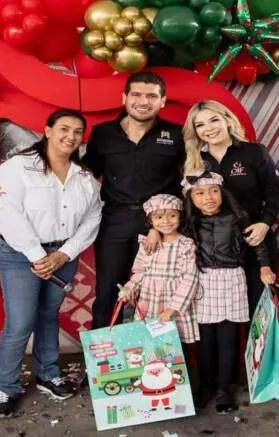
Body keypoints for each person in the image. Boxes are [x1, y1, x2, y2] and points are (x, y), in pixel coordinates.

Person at [0, 109, 102, 418]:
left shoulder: (84, 176)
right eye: (64, 128)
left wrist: (62, 255)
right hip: (19, 254)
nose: (71, 136)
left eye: (78, 132)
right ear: (48, 130)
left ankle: (48, 373)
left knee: (49, 315)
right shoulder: (18, 167)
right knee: (20, 322)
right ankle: (5, 385)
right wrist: (39, 258)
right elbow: (9, 215)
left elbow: (92, 219)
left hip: (62, 254)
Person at [84, 71, 185, 329]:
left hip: (163, 225)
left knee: (160, 292)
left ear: (163, 101)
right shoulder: (103, 134)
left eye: (152, 96)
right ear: (124, 98)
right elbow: (84, 176)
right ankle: (101, 365)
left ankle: (158, 364)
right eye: (137, 94)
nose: (144, 101)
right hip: (115, 221)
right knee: (108, 291)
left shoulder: (177, 135)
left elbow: (193, 181)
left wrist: (162, 225)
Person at [182, 169, 276, 413]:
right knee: (204, 341)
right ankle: (205, 386)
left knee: (228, 339)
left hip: (232, 278)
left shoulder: (237, 218)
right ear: (190, 198)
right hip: (201, 281)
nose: (208, 197)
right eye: (200, 193)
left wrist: (265, 267)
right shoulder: (187, 223)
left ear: (223, 193)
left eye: (214, 191)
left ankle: (224, 388)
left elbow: (258, 244)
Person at [183, 100, 279, 315]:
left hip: (255, 239)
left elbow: (275, 194)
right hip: (213, 248)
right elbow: (189, 206)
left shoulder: (254, 152)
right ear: (195, 131)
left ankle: (263, 350)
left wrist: (264, 225)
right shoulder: (194, 161)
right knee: (219, 314)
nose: (209, 128)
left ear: (227, 120)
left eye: (214, 120)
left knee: (260, 306)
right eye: (200, 125)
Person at [120, 194, 199, 347]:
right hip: (149, 301)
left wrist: (172, 309)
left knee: (176, 347)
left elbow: (190, 279)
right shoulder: (147, 243)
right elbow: (140, 273)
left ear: (180, 217)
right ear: (150, 221)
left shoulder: (186, 244)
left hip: (173, 302)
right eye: (159, 217)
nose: (166, 221)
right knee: (150, 345)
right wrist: (129, 289)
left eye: (172, 216)